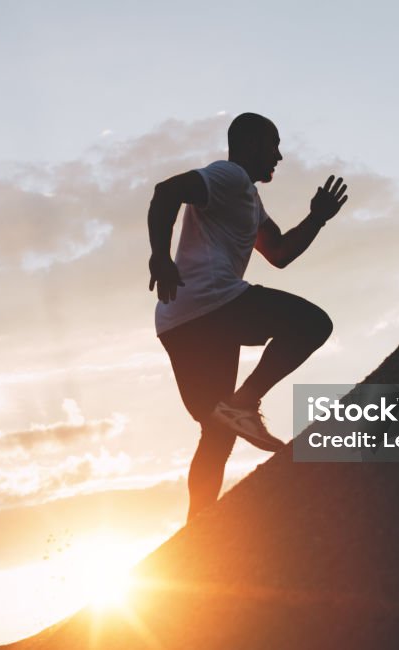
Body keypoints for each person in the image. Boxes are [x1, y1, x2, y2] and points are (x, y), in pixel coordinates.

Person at [147, 112, 348, 523]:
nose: (279, 155)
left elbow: (278, 254)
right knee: (313, 324)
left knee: (219, 430)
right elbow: (166, 191)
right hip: (213, 305)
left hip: (178, 323)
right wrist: (160, 255)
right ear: (252, 144)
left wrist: (317, 219)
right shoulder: (229, 176)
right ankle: (246, 400)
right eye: (273, 145)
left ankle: (196, 528)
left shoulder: (249, 200)